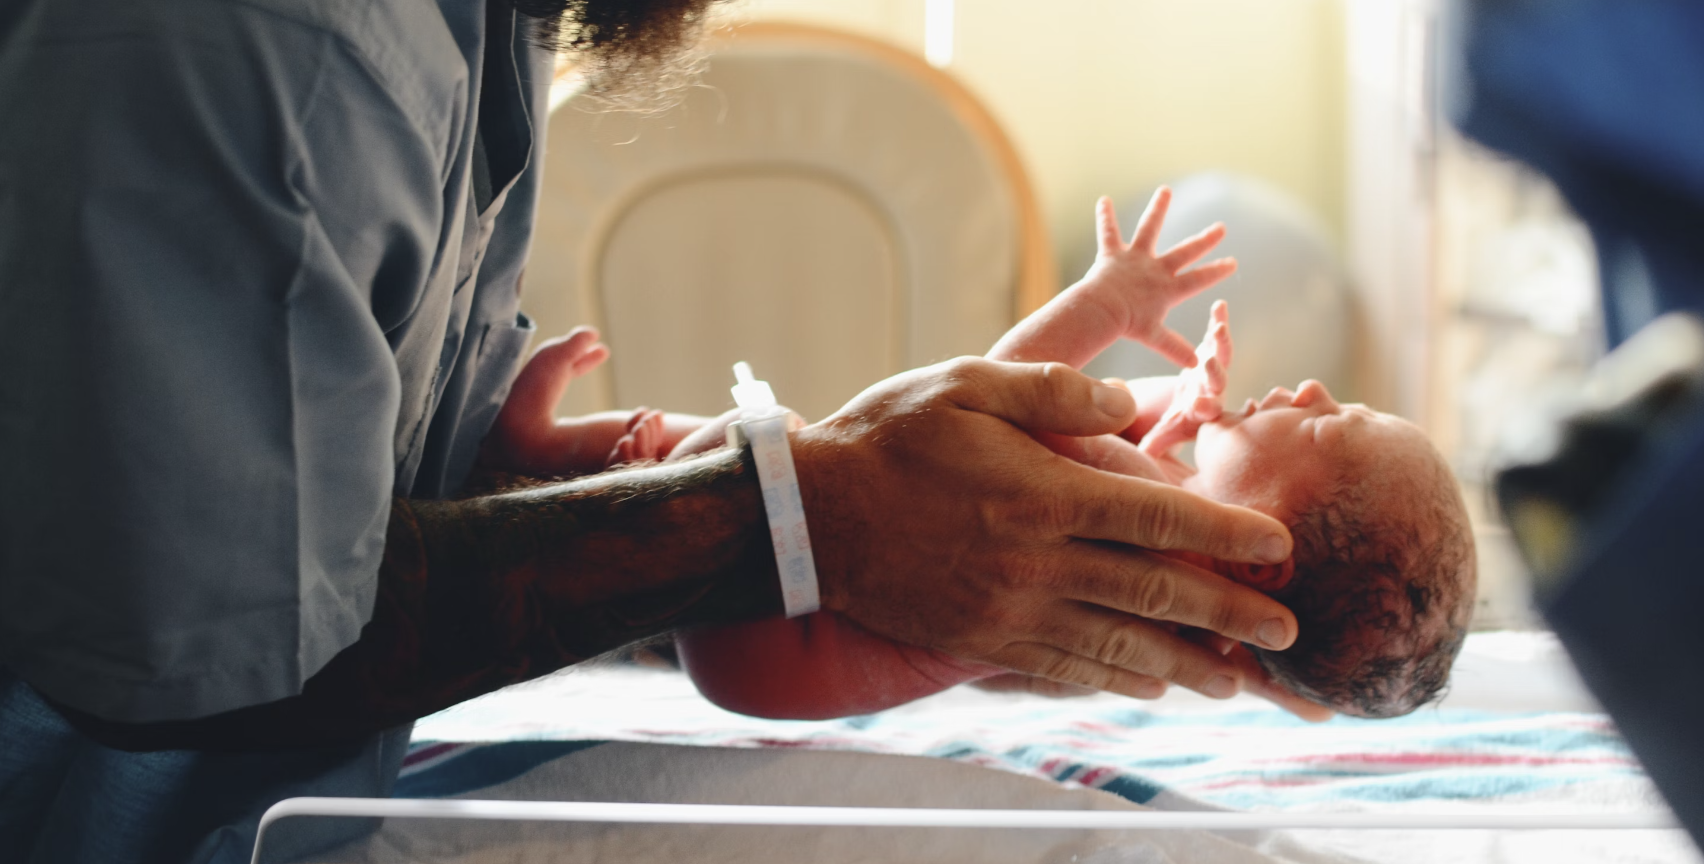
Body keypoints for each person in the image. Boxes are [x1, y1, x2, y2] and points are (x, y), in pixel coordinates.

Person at [0, 2, 1301, 861]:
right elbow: (222, 641)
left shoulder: (471, 35)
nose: (1305, 398)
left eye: (1335, 433)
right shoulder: (269, 52)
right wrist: (799, 513)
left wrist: (495, 480)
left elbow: (256, 473)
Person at [670, 190, 1477, 721]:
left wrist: (1108, 303)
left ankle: (584, 454)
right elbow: (1314, 699)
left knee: (727, 443)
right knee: (707, 448)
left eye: (1325, 428)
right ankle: (571, 447)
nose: (1311, 389)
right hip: (773, 655)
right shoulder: (1194, 609)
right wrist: (1180, 414)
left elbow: (995, 404)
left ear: (1264, 556)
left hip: (778, 628)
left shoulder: (1148, 527)